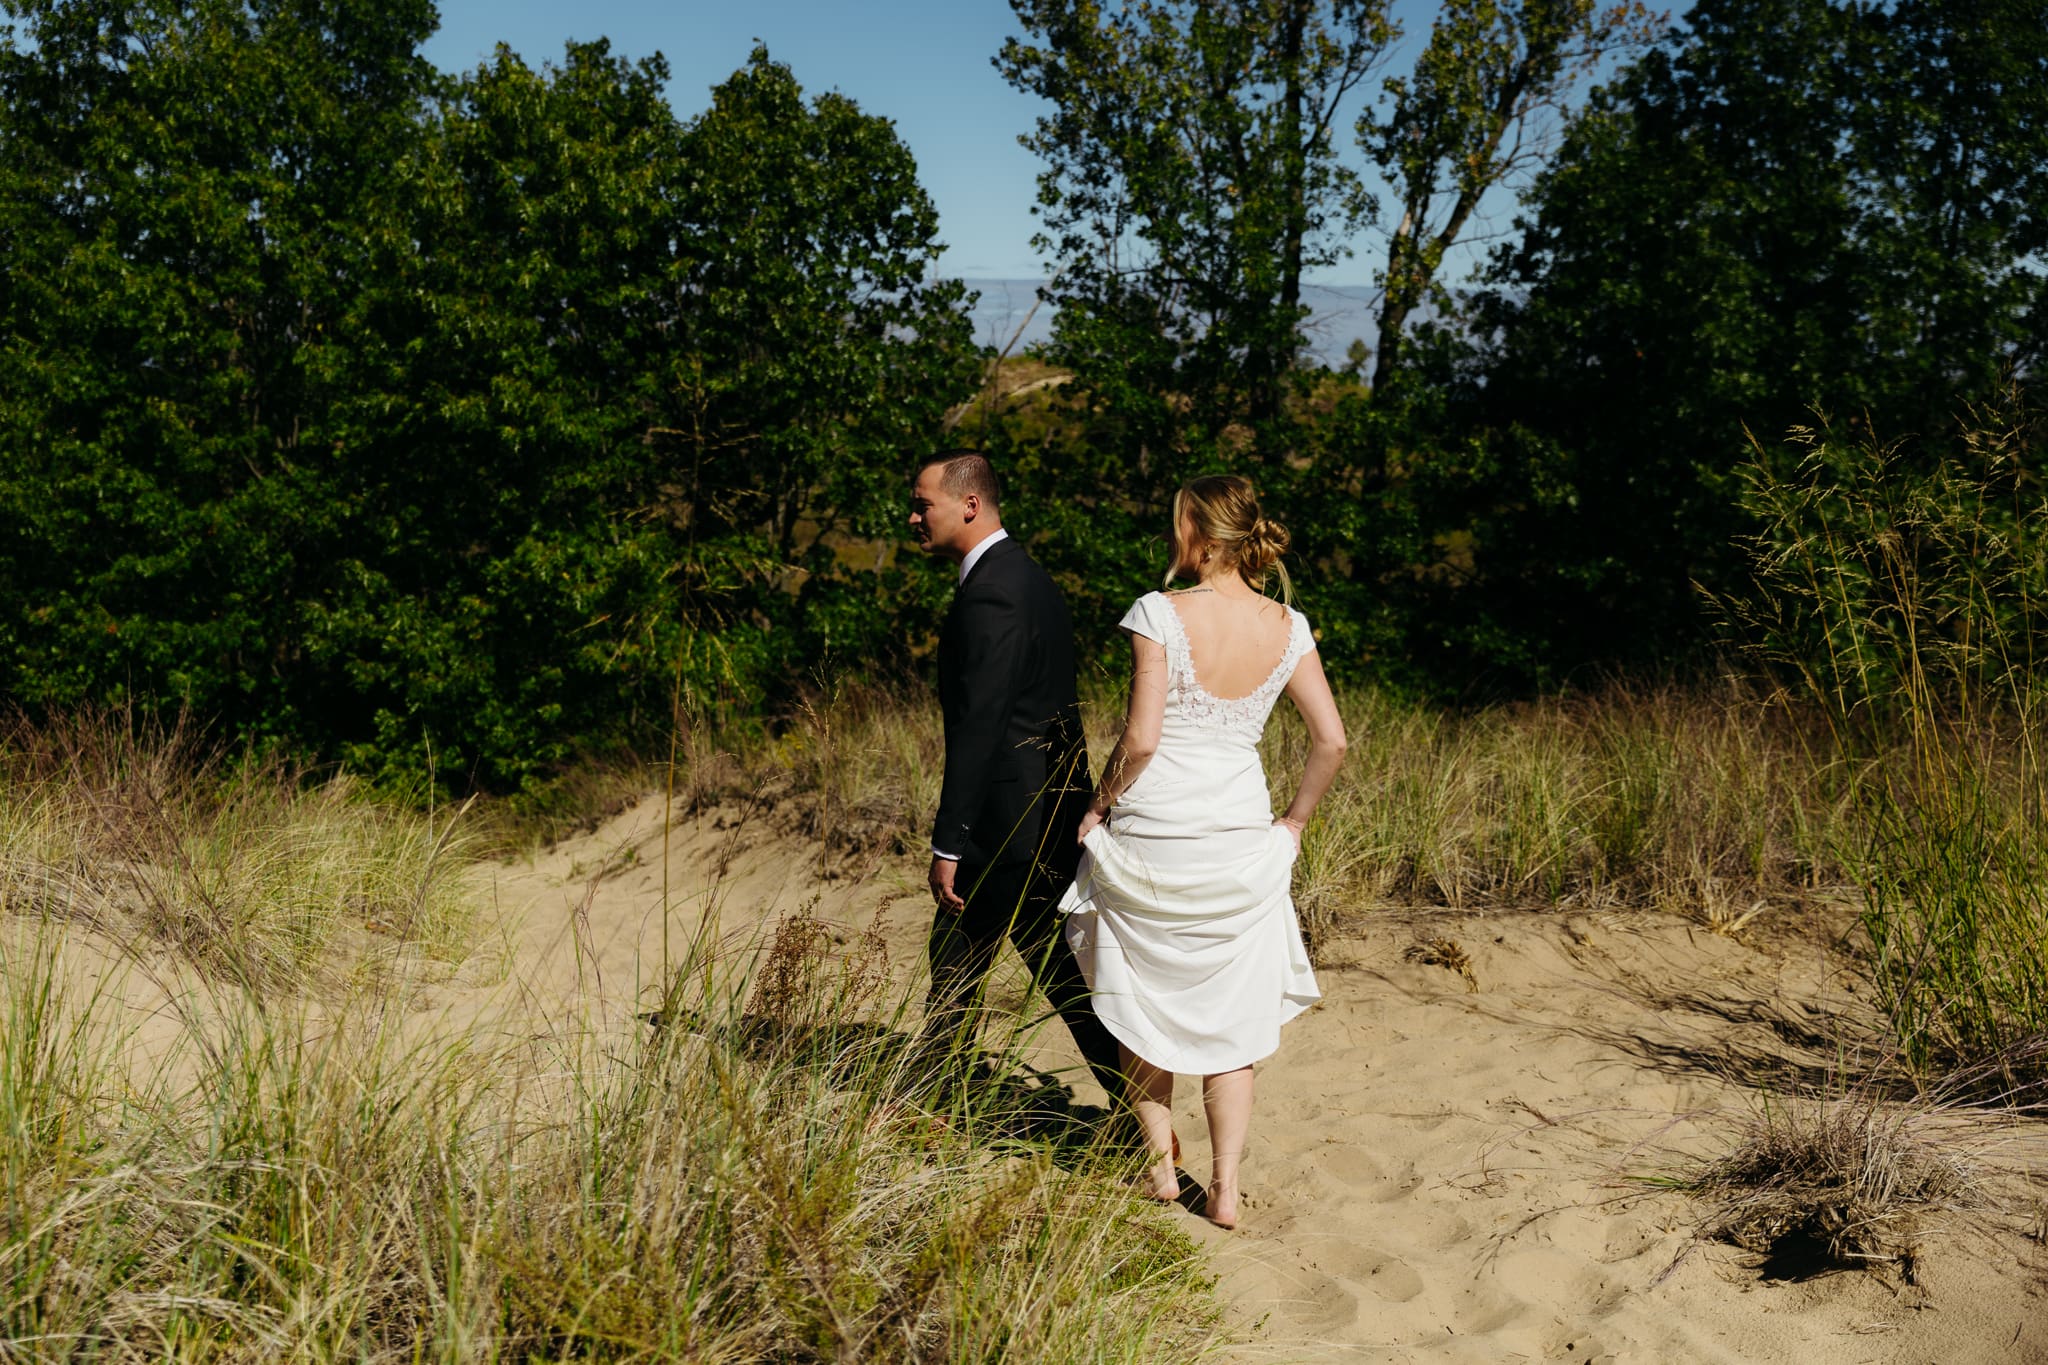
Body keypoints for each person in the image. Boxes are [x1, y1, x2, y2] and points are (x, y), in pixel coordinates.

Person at [1059, 475, 1346, 1229]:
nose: (1170, 536)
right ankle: (1224, 1185)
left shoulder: (1159, 612)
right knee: (1231, 1015)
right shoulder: (1291, 625)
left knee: (1139, 996)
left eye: (1177, 523)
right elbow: (1332, 740)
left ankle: (1159, 1166)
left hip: (1158, 832)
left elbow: (1144, 737)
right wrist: (1294, 824)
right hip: (1237, 831)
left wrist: (1097, 806)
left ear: (1204, 536)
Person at [908, 449, 1125, 1099]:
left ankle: (932, 1101)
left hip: (1006, 824)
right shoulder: (1028, 576)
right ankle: (1140, 1112)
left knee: (957, 957)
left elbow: (983, 722)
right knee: (1060, 970)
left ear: (969, 505)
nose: (912, 515)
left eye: (923, 503)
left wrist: (951, 840)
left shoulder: (994, 590)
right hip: (1049, 810)